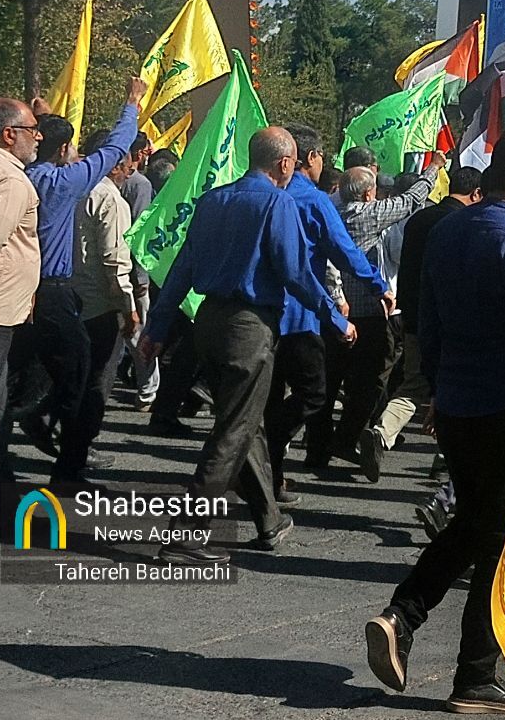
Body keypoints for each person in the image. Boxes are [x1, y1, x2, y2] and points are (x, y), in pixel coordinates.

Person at [364, 126, 505, 715]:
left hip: (456, 404)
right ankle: (473, 674)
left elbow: (427, 322)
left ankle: (403, 616)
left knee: (476, 524)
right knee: (494, 537)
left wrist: (435, 389)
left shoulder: (448, 231)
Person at [138, 128, 357, 563]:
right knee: (234, 429)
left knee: (244, 421)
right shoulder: (278, 203)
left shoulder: (213, 200)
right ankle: (187, 533)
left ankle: (268, 519)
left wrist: (157, 326)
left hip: (208, 322)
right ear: (285, 163)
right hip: (249, 326)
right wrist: (335, 317)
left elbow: (182, 267)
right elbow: (295, 272)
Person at [24, 75, 144, 485]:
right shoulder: (64, 183)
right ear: (62, 150)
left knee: (19, 372)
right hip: (56, 293)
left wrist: (44, 118)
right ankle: (68, 467)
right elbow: (114, 147)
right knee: (80, 380)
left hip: (22, 292)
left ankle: (30, 416)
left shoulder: (22, 175)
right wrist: (131, 102)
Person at [262, 124, 391, 503]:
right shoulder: (313, 200)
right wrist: (377, 285)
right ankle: (263, 454)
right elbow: (344, 250)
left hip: (261, 313)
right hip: (303, 313)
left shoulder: (264, 195)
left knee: (274, 397)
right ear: (311, 158)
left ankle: (272, 473)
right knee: (314, 393)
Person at [308, 155, 442, 470]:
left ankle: (317, 448)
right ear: (370, 193)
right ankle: (346, 438)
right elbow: (411, 200)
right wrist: (434, 167)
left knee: (329, 381)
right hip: (370, 310)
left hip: (331, 310)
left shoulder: (328, 212)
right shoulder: (370, 215)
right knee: (370, 382)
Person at [363, 166, 484, 483]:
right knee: (454, 388)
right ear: (476, 194)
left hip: (414, 315)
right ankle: (445, 458)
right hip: (448, 320)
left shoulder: (419, 219)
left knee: (414, 382)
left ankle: (382, 431)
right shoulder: (462, 224)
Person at [0, 98, 42, 539]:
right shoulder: (11, 180)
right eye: (32, 128)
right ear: (9, 134)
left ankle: (3, 510)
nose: (38, 136)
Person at [68, 130, 139, 476]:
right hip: (101, 304)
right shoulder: (111, 200)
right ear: (114, 166)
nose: (131, 170)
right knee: (99, 381)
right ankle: (80, 450)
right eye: (127, 164)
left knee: (77, 376)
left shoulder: (74, 188)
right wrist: (128, 307)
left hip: (71, 296)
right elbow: (115, 261)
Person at [116, 131, 158, 412]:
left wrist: (140, 276)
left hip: (130, 272)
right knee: (134, 332)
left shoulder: (138, 184)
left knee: (137, 333)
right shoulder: (138, 184)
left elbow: (140, 232)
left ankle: (148, 389)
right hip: (127, 271)